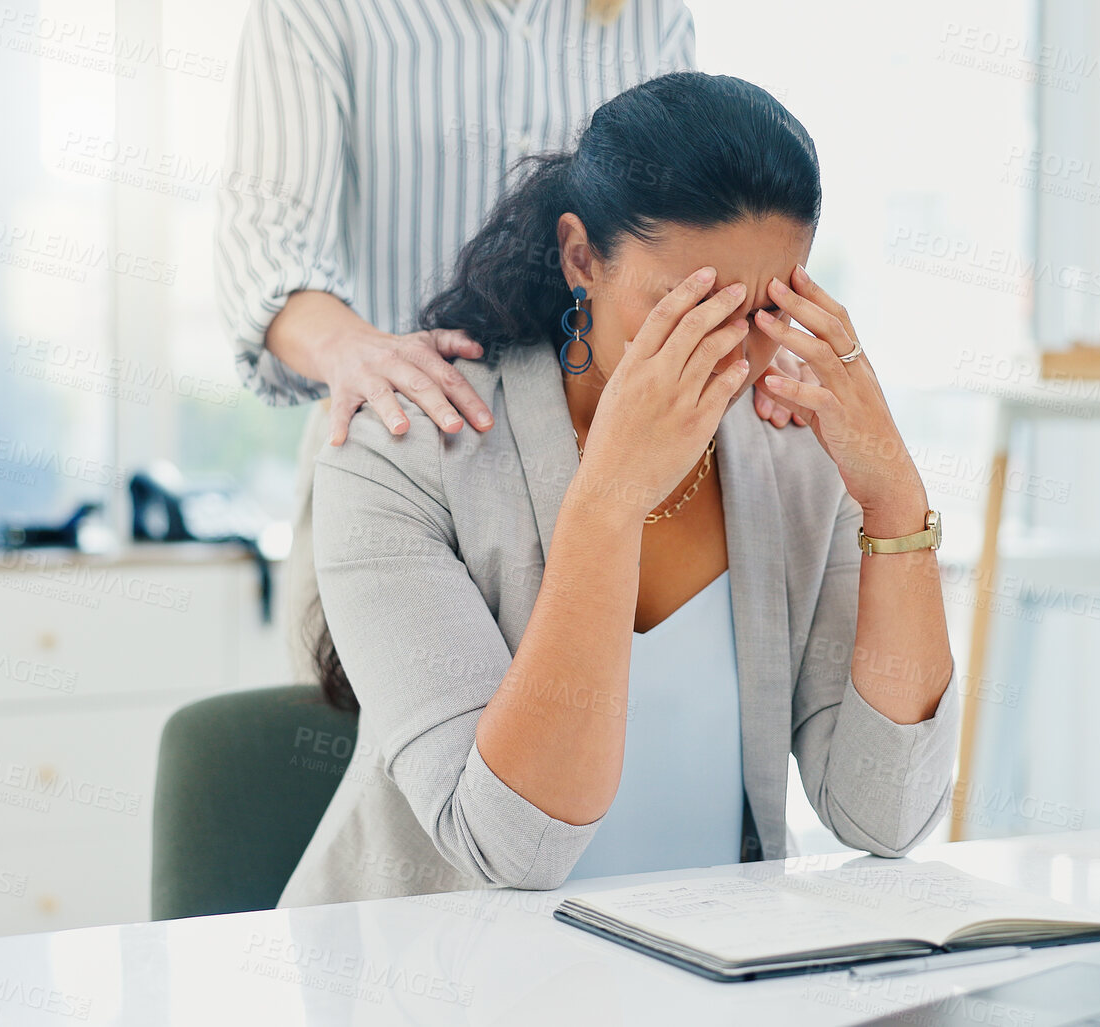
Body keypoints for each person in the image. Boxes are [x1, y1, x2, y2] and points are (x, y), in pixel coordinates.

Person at [280, 72, 957, 907]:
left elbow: (886, 814)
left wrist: (893, 500)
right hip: (435, 965)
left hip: (705, 960)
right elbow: (509, 845)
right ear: (580, 258)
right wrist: (609, 498)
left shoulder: (797, 450)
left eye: (765, 309)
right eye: (687, 306)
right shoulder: (403, 450)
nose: (728, 352)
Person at [215, 0, 811, 675]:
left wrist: (746, 326)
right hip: (403, 449)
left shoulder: (647, 13)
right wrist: (350, 349)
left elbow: (697, 207)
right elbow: (265, 246)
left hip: (607, 435)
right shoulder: (325, 10)